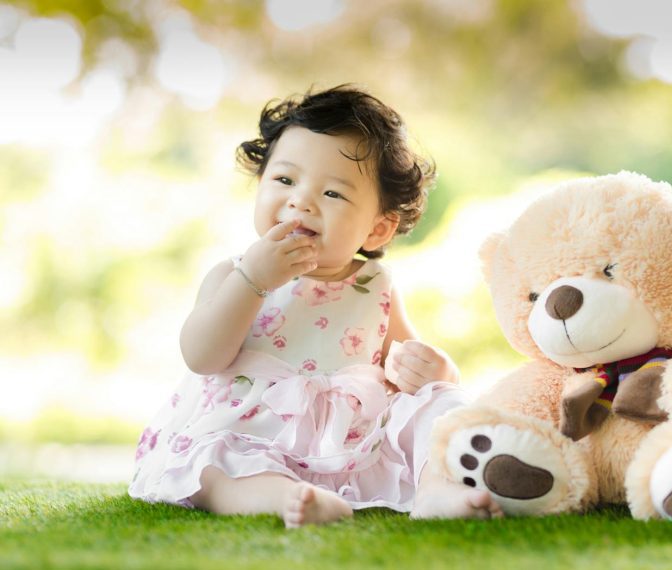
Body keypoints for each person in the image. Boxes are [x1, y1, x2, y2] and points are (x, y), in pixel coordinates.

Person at [128, 85, 503, 527]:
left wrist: (436, 373)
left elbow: (405, 369)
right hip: (253, 433)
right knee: (211, 463)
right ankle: (288, 497)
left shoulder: (375, 284)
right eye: (285, 180)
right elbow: (202, 357)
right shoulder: (234, 276)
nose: (300, 201)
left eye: (333, 194)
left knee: (439, 406)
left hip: (350, 439)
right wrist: (254, 281)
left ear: (378, 230)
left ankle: (436, 490)